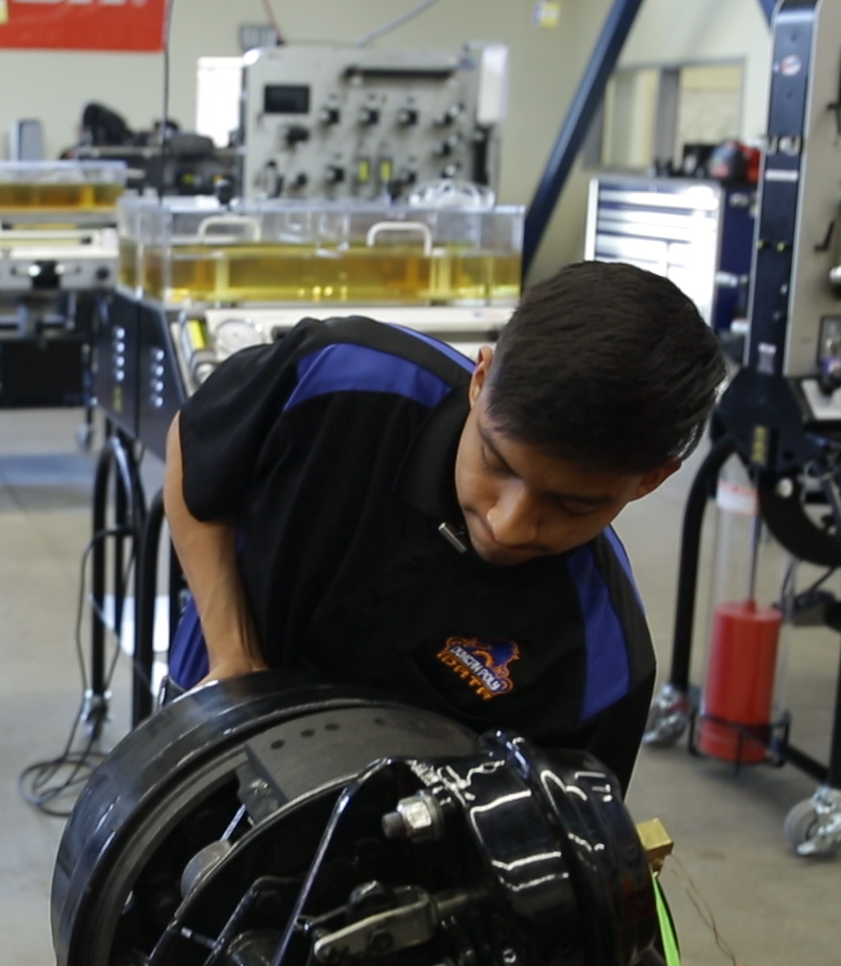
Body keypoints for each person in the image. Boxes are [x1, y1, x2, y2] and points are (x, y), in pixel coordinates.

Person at [163, 261, 727, 787]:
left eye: (571, 506)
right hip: (200, 737)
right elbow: (196, 450)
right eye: (496, 464)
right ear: (480, 380)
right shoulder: (340, 376)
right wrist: (232, 655)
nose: (508, 525)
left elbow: (562, 856)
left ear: (650, 480)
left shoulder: (600, 660)